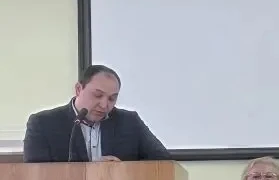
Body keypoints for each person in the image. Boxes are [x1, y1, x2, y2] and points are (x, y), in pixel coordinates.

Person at [22, 64, 170, 163]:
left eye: (112, 98)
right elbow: (36, 174)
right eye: (97, 95)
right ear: (78, 89)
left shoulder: (130, 122)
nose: (104, 105)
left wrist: (124, 170)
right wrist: (91, 173)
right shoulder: (43, 124)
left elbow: (164, 161)